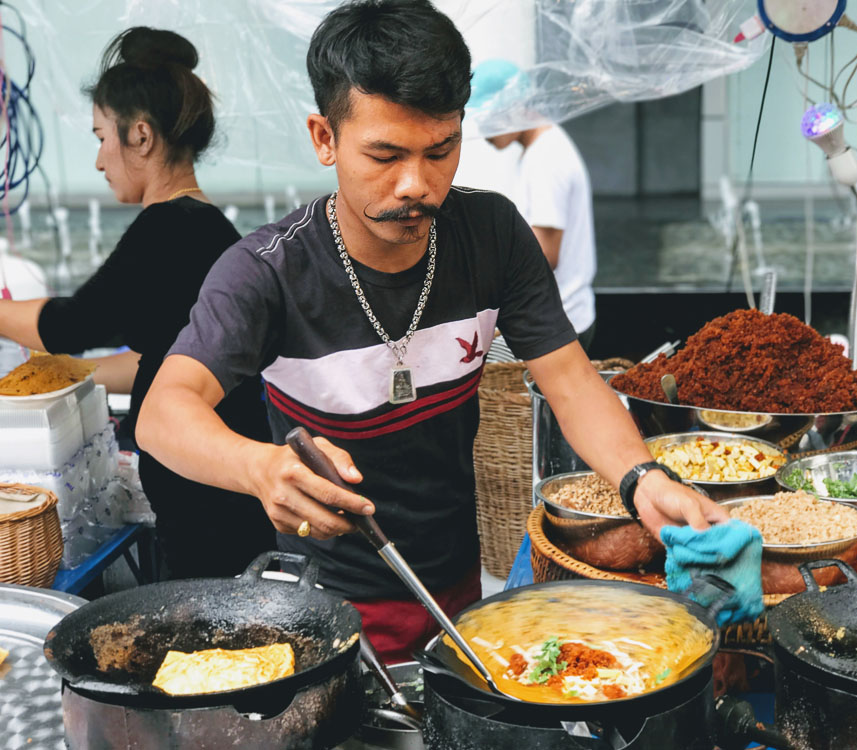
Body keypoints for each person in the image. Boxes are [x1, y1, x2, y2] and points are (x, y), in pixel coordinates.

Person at [136, 0, 727, 662]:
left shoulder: (492, 235)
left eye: (441, 150)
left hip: (453, 580)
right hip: (327, 603)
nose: (417, 184)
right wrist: (260, 466)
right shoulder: (268, 270)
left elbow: (569, 380)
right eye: (384, 154)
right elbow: (162, 414)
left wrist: (642, 478)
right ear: (324, 138)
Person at [0, 27, 274, 580]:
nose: (100, 159)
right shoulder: (203, 222)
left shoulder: (167, 229)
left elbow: (71, 323)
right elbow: (164, 358)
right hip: (217, 493)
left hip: (208, 504)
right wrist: (69, 375)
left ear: (141, 136)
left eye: (103, 136)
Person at [471, 59, 598, 352]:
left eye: (489, 118)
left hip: (560, 324)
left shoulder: (546, 158)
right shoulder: (541, 149)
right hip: (565, 316)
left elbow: (545, 255)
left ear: (514, 108)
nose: (486, 132)